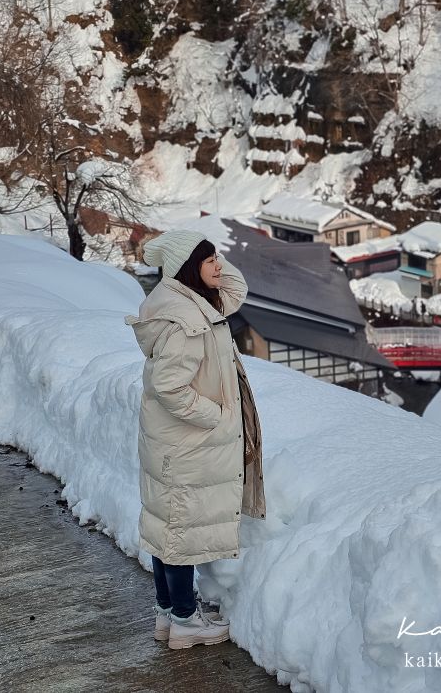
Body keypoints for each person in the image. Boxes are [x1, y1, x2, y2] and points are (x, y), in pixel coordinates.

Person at [124, 230, 265, 650]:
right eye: (210, 262)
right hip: (187, 443)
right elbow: (169, 386)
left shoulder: (191, 302)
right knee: (178, 533)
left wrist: (196, 251)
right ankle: (185, 621)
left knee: (167, 527)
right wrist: (219, 418)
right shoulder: (186, 321)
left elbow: (236, 287)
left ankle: (168, 613)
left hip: (174, 443)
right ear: (189, 270)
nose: (220, 267)